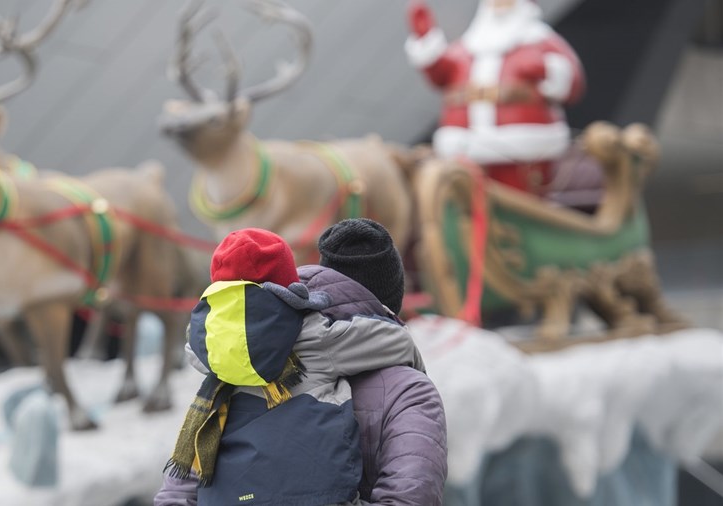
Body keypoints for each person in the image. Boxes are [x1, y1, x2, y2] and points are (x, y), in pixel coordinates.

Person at [155, 220, 448, 505]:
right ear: (391, 306)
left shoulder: (235, 374)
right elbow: (412, 495)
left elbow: (177, 493)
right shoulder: (409, 390)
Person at [404, 0, 586, 196]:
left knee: (519, 200)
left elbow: (572, 82)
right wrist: (426, 41)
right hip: (463, 149)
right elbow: (441, 74)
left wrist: (545, 67)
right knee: (465, 200)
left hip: (522, 149)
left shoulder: (540, 41)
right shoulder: (471, 43)